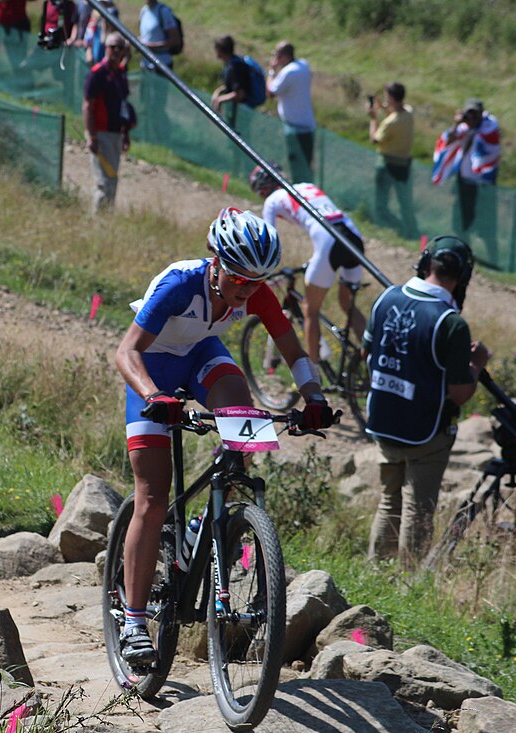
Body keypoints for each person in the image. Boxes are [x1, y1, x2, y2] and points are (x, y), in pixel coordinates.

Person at [114, 207, 334, 663]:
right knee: (152, 498)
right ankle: (133, 620)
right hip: (151, 367)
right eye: (238, 280)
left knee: (245, 419)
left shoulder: (255, 291)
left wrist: (312, 397)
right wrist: (155, 395)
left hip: (200, 358)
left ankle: (201, 528)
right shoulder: (180, 283)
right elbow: (126, 350)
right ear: (215, 261)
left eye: (256, 282)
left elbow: (291, 348)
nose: (246, 291)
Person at [364, 236, 492, 568]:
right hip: (425, 433)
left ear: (425, 264)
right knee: (417, 509)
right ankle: (408, 582)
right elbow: (459, 392)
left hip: (383, 423)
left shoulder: (386, 298)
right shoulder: (451, 324)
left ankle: (376, 571)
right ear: (462, 277)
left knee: (389, 502)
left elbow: (366, 352)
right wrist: (476, 364)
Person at [250, 163, 367, 370]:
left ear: (264, 189)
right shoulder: (306, 186)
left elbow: (267, 240)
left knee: (310, 310)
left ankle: (312, 376)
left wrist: (262, 272)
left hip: (328, 240)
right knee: (347, 304)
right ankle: (373, 361)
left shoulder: (271, 201)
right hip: (352, 236)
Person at [432, 99, 500, 267]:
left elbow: (487, 147)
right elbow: (449, 141)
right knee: (460, 222)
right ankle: (465, 254)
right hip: (463, 184)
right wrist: (457, 124)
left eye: (474, 114)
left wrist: (472, 130)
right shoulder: (464, 128)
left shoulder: (488, 128)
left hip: (482, 186)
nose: (471, 117)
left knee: (487, 227)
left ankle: (493, 260)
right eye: (468, 113)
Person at [82, 33, 131, 213]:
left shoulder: (119, 75)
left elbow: (123, 106)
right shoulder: (97, 74)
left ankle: (106, 219)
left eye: (120, 48)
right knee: (104, 182)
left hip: (116, 133)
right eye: (113, 47)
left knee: (112, 179)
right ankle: (97, 222)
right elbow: (88, 105)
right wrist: (92, 135)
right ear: (106, 48)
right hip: (101, 133)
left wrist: (125, 134)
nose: (117, 51)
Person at [368, 81, 418, 239]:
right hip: (404, 164)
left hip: (387, 164)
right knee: (405, 203)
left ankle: (393, 227)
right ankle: (411, 231)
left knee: (381, 204)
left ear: (390, 97)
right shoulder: (408, 113)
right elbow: (395, 113)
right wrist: (382, 107)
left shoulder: (390, 123)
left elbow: (374, 139)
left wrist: (373, 118)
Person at [267, 41, 315, 185]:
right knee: (306, 165)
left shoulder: (288, 72)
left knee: (297, 166)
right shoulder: (303, 65)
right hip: (308, 123)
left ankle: (298, 193)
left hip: (294, 126)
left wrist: (271, 71)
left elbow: (271, 91)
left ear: (283, 56)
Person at [137, 0, 178, 138]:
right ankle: (147, 134)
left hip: (161, 65)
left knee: (157, 106)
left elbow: (174, 40)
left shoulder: (163, 12)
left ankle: (162, 137)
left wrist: (150, 47)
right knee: (145, 102)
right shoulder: (144, 11)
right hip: (146, 65)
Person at [209, 35, 250, 116]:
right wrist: (218, 91)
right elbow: (230, 86)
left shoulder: (235, 67)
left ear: (220, 50)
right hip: (234, 109)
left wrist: (220, 100)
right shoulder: (231, 62)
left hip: (240, 112)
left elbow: (239, 94)